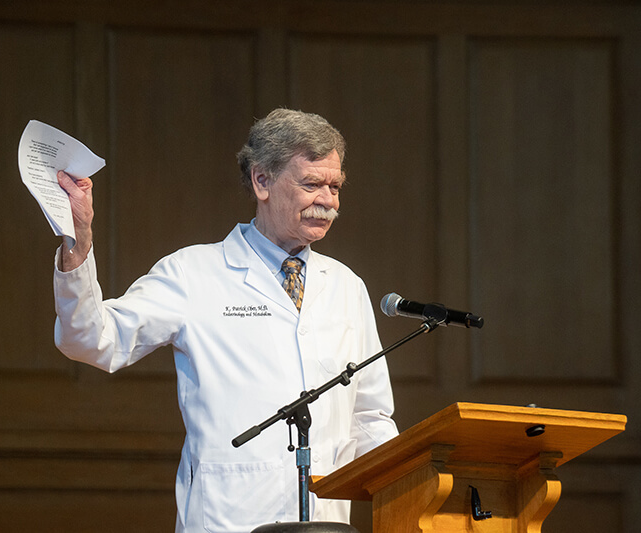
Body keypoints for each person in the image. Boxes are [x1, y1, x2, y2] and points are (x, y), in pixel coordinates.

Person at [53, 109, 399, 532]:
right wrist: (79, 243)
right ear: (262, 181)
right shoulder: (192, 273)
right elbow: (91, 340)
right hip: (225, 519)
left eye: (335, 186)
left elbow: (371, 419)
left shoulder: (346, 285)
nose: (327, 201)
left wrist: (408, 496)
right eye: (311, 184)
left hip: (324, 524)